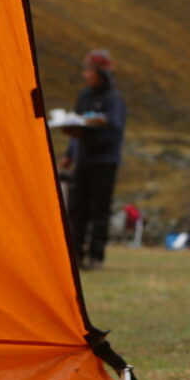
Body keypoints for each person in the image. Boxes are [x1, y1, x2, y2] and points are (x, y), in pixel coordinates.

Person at [60, 48, 127, 271]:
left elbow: (113, 133)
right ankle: (75, 255)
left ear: (102, 73)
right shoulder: (84, 96)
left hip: (104, 163)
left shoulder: (113, 101)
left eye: (90, 70)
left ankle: (96, 257)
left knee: (100, 210)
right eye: (85, 69)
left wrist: (88, 136)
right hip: (83, 161)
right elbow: (76, 122)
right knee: (77, 210)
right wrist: (70, 154)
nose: (86, 75)